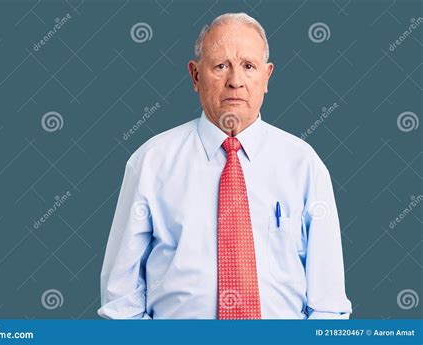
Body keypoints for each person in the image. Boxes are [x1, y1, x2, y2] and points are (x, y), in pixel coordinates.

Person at [98, 12, 352, 319]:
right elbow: (120, 298)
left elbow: (328, 303)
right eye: (220, 66)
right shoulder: (152, 162)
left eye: (248, 66)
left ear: (267, 77)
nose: (235, 81)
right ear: (195, 76)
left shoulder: (303, 164)